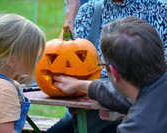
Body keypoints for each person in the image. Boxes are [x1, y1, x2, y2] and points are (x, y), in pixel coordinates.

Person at [48, 0, 167, 133]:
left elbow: (147, 87)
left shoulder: (162, 11)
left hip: (138, 113)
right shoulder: (89, 10)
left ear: (114, 73)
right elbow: (61, 57)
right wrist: (72, 11)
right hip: (88, 113)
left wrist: (82, 85)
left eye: (103, 65)